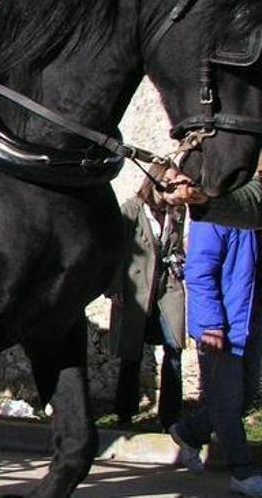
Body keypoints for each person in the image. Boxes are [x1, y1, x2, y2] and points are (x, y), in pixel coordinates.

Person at [168, 217, 262, 495]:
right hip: (222, 325)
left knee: (242, 398)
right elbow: (199, 271)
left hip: (251, 322)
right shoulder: (215, 216)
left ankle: (188, 432)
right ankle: (242, 472)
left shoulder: (254, 214)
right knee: (227, 400)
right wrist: (211, 324)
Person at [107, 170, 185, 430]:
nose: (175, 190)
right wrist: (115, 287)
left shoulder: (177, 211)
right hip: (136, 289)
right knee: (132, 352)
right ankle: (125, 412)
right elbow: (115, 249)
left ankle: (171, 416)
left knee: (174, 347)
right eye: (170, 184)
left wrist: (179, 263)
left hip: (167, 287)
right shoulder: (131, 209)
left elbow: (176, 249)